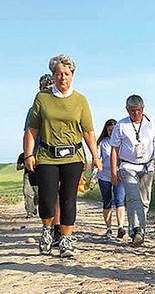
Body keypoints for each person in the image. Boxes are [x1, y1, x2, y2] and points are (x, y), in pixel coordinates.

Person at [23, 55, 102, 258]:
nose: (62, 78)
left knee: (68, 200)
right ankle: (47, 231)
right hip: (47, 156)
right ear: (53, 75)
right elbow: (32, 129)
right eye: (58, 74)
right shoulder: (42, 98)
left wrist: (96, 156)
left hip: (73, 157)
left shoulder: (80, 100)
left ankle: (66, 240)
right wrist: (28, 155)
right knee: (48, 200)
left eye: (66, 74)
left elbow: (88, 132)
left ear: (72, 75)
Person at [110, 95, 155, 247]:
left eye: (139, 111)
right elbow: (114, 150)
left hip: (147, 165)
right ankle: (138, 229)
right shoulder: (121, 125)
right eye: (133, 111)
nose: (136, 114)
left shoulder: (151, 123)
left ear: (143, 109)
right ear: (127, 110)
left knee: (145, 200)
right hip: (127, 166)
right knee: (134, 198)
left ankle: (137, 230)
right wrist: (114, 171)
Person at [18, 74, 55, 218]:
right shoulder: (33, 110)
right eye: (44, 88)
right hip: (40, 155)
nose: (47, 91)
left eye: (50, 88)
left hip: (59, 155)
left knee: (57, 193)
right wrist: (28, 155)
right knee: (45, 193)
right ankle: (49, 225)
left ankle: (58, 227)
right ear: (39, 89)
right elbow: (28, 134)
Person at [95, 119, 126, 240]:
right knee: (107, 202)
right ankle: (108, 228)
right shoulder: (103, 143)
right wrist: (94, 174)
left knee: (120, 200)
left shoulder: (123, 142)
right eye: (109, 131)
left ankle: (120, 227)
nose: (111, 133)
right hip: (104, 176)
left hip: (119, 175)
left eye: (113, 131)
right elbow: (98, 160)